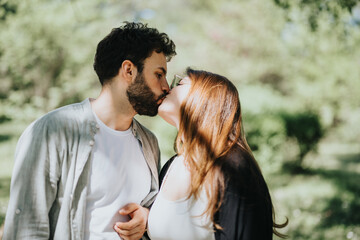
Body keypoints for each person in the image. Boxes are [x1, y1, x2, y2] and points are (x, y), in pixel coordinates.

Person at [3, 22, 176, 240]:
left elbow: (149, 207)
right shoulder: (52, 131)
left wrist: (146, 217)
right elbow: (27, 227)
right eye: (159, 74)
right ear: (129, 70)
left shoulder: (149, 142)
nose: (166, 87)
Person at [146, 68, 288, 239]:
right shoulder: (171, 166)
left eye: (181, 83)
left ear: (206, 98)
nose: (168, 88)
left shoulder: (233, 167)